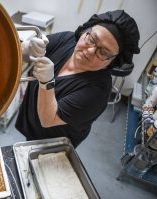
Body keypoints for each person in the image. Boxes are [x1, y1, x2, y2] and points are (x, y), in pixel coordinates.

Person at [15, 10, 140, 148]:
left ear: (112, 61)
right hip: (32, 123)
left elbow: (48, 119)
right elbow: (24, 54)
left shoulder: (97, 93)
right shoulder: (67, 39)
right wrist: (29, 47)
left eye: (103, 52)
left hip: (51, 145)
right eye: (92, 39)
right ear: (85, 31)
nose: (90, 51)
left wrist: (47, 83)